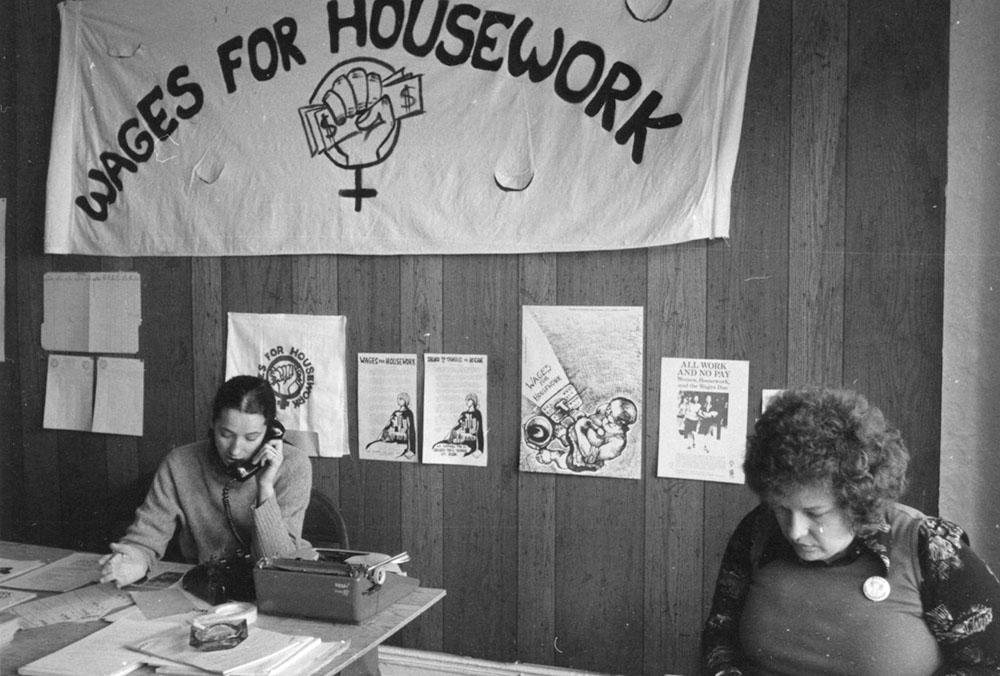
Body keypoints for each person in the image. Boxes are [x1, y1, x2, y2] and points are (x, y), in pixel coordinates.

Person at [702, 387, 1000, 675]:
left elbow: (989, 665)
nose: (794, 531)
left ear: (858, 501)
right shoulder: (758, 531)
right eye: (780, 508)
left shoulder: (930, 547)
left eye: (814, 513)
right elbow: (720, 641)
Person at [99, 375, 313, 587]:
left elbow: (277, 566)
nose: (235, 450)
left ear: (270, 433)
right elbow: (147, 535)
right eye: (225, 434)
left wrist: (265, 487)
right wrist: (134, 559)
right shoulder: (180, 463)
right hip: (205, 586)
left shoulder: (293, 465)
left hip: (274, 590)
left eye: (251, 437)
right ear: (212, 423)